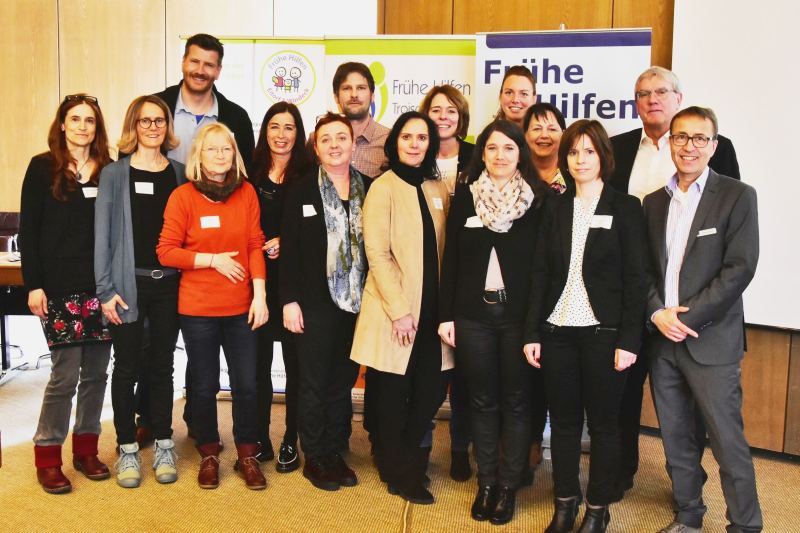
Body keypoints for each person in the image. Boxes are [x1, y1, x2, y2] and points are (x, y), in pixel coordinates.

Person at [608, 66, 741, 497]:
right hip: (634, 296)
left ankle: (688, 487)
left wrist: (692, 310)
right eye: (643, 93)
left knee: (687, 407)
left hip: (688, 308)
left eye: (661, 91)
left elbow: (729, 228)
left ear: (678, 98)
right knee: (625, 393)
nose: (652, 100)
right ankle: (621, 473)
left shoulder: (714, 147)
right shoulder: (617, 148)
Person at [523, 120, 648, 533]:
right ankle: (565, 504)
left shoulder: (625, 207)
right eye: (573, 152)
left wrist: (630, 339)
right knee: (563, 425)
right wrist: (532, 332)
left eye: (589, 151)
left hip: (605, 335)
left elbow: (637, 279)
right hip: (557, 330)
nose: (580, 160)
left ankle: (597, 509)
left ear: (603, 157)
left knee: (604, 427)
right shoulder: (555, 207)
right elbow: (540, 274)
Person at [643, 107, 761, 533]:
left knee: (727, 441)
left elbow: (740, 268)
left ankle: (745, 525)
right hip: (663, 339)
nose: (689, 146)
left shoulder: (737, 195)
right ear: (669, 143)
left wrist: (686, 318)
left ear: (713, 146)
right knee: (676, 439)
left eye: (699, 138)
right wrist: (658, 313)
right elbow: (643, 270)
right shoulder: (653, 202)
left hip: (710, 340)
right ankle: (689, 514)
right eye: (681, 137)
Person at [136, 33, 256, 444]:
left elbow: (246, 179)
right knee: (156, 347)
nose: (200, 70)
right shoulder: (157, 107)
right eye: (195, 61)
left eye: (209, 64)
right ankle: (151, 418)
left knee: (210, 366)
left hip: (215, 259)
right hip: (164, 246)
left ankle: (205, 426)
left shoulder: (235, 116)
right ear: (183, 62)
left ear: (218, 70)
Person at [438, 119, 548, 524]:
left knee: (517, 403)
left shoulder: (538, 200)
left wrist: (535, 327)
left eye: (508, 148)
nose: (500, 156)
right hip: (473, 318)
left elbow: (542, 271)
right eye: (492, 148)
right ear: (481, 153)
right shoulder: (466, 197)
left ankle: (507, 486)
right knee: (481, 401)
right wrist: (446, 315)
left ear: (521, 154)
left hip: (519, 319)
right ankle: (486, 483)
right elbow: (451, 260)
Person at [157, 122, 268, 490]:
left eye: (226, 149)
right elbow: (166, 251)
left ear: (234, 154)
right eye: (212, 149)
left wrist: (260, 295)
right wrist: (212, 260)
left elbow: (255, 244)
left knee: (247, 385)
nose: (220, 155)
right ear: (198, 155)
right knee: (204, 386)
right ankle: (208, 452)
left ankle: (248, 454)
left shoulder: (246, 192)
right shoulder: (183, 197)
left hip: (241, 307)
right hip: (198, 310)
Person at [351, 111, 453, 505]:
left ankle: (406, 459)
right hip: (395, 312)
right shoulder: (383, 187)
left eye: (422, 137)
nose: (414, 144)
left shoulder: (437, 187)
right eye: (407, 137)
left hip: (433, 313)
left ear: (431, 144)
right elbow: (376, 253)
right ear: (395, 143)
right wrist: (399, 311)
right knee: (393, 395)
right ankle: (399, 471)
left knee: (428, 393)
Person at [20, 94, 113, 494]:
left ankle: (86, 450)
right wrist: (34, 284)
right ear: (62, 124)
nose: (82, 127)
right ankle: (47, 456)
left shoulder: (109, 169)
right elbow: (29, 230)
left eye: (89, 120)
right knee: (65, 375)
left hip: (101, 287)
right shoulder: (42, 167)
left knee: (96, 374)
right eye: (75, 119)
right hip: (59, 288)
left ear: (97, 127)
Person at [93, 95, 183, 489]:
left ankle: (163, 442)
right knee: (126, 367)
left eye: (159, 120)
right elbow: (102, 237)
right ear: (134, 125)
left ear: (167, 126)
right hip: (126, 286)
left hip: (169, 286)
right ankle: (127, 447)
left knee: (163, 366)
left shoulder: (180, 174)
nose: (152, 127)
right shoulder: (114, 174)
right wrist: (105, 291)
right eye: (145, 120)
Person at [279, 113, 368, 492]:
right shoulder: (300, 190)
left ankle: (333, 450)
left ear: (353, 143)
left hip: (357, 303)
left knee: (341, 382)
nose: (334, 145)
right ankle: (315, 456)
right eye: (326, 139)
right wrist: (289, 301)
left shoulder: (369, 188)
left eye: (341, 138)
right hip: (312, 303)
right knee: (314, 383)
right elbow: (289, 252)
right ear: (315, 147)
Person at [248, 101, 310, 473]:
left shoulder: (309, 172)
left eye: (289, 127)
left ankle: (291, 439)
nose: (281, 135)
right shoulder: (250, 170)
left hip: (295, 287)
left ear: (298, 133)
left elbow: (317, 227)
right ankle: (260, 439)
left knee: (296, 368)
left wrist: (288, 241)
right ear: (265, 130)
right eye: (274, 126)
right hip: (256, 285)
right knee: (257, 368)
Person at [418, 84, 474, 481]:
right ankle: (419, 447)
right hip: (426, 278)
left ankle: (459, 450)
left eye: (451, 110)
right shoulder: (417, 156)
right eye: (436, 110)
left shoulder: (478, 156)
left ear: (461, 117)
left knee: (466, 375)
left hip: (469, 276)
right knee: (429, 373)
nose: (443, 117)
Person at [521, 102, 568, 475]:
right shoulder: (514, 175)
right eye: (536, 128)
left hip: (564, 292)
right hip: (520, 290)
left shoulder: (576, 176)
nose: (544, 135)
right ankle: (526, 446)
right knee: (525, 377)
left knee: (557, 376)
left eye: (551, 127)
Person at [332, 62, 390, 179]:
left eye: (361, 88)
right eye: (347, 88)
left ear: (372, 96)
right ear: (336, 97)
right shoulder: (319, 139)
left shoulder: (390, 140)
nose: (354, 94)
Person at [524, 102, 569, 194]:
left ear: (563, 135)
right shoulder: (515, 177)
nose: (544, 135)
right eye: (537, 129)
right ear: (525, 135)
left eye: (552, 129)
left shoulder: (574, 174)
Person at [496, 66, 536, 130]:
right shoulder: (488, 135)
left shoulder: (543, 135)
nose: (515, 100)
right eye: (509, 93)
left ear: (534, 99)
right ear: (500, 96)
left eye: (524, 94)